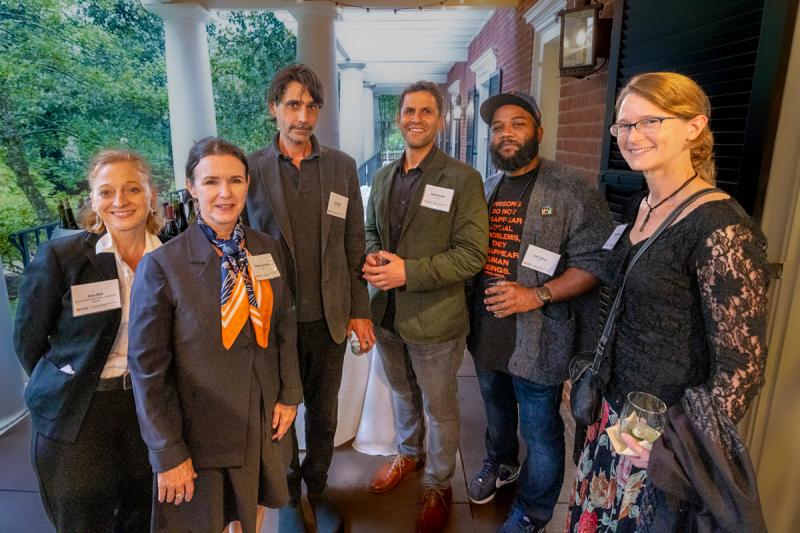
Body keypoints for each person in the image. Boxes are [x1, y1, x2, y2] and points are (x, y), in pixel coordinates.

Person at [566, 72, 770, 532]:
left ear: (694, 127)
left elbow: (743, 366)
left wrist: (676, 448)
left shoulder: (721, 229)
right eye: (624, 125)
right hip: (613, 413)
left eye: (649, 122)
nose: (632, 136)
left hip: (659, 435)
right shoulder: (642, 204)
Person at [128, 137, 302, 533]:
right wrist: (168, 451)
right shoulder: (163, 266)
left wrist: (290, 392)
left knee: (254, 509)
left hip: (263, 418)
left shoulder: (268, 249)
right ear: (191, 187)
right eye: (211, 182)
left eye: (236, 181)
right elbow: (148, 371)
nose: (225, 193)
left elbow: (285, 324)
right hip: (203, 430)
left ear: (247, 184)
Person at [466, 92, 613, 533]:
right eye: (497, 128)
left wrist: (538, 295)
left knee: (543, 432)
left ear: (538, 133)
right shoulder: (486, 188)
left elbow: (597, 261)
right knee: (495, 410)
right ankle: (502, 462)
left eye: (517, 124)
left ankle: (534, 512)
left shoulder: (571, 188)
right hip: (486, 331)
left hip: (541, 337)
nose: (506, 133)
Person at [245, 63, 374, 533]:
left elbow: (353, 245)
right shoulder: (251, 170)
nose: (302, 116)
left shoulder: (341, 167)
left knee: (323, 412)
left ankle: (317, 490)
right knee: (278, 414)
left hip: (329, 317)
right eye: (293, 105)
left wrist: (360, 310)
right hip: (272, 320)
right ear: (274, 109)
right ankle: (285, 496)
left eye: (311, 106)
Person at [363, 81, 489, 533]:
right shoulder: (382, 176)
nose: (416, 118)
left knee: (440, 407)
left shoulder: (461, 178)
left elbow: (472, 255)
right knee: (401, 393)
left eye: (426, 111)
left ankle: (439, 482)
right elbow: (370, 232)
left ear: (439, 120)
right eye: (408, 110)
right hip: (387, 315)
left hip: (436, 318)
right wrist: (373, 256)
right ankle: (408, 455)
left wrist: (408, 272)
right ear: (398, 119)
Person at [14, 149, 162, 532]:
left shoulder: (169, 258)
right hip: (78, 410)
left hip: (144, 409)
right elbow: (28, 342)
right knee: (82, 521)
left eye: (132, 188)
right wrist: (66, 378)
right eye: (106, 191)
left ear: (151, 194)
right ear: (93, 200)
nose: (120, 201)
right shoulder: (62, 257)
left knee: (142, 516)